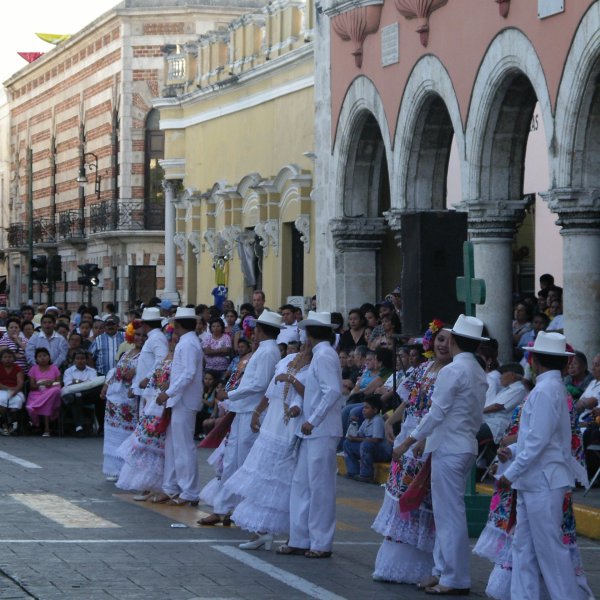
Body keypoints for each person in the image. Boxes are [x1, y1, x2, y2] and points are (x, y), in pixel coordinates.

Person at [393, 314, 488, 595]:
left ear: (456, 340)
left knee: (449, 516)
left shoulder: (453, 371)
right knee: (446, 514)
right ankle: (442, 570)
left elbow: (436, 413)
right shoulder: (476, 370)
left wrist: (407, 441)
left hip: (450, 447)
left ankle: (455, 577)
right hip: (460, 445)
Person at [498, 332, 591, 600]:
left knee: (548, 549)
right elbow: (539, 439)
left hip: (541, 479)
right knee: (524, 547)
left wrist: (511, 472)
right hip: (538, 479)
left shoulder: (545, 391)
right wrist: (514, 453)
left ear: (535, 360)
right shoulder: (550, 389)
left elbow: (537, 442)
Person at [372, 319, 450, 584]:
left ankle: (419, 567)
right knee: (399, 496)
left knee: (418, 500)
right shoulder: (424, 368)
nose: (443, 345)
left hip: (425, 440)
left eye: (449, 342)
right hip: (408, 434)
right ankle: (394, 565)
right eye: (440, 339)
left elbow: (438, 414)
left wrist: (420, 439)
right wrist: (389, 421)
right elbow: (410, 400)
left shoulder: (450, 374)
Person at [224, 341, 310, 550]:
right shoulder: (287, 360)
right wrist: (256, 411)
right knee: (262, 473)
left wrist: (292, 384)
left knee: (282, 477)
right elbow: (271, 391)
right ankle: (261, 531)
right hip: (272, 420)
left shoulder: (313, 366)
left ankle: (286, 533)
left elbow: (306, 394)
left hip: (289, 423)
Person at [200, 310, 283, 525]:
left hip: (250, 410)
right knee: (232, 461)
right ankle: (225, 507)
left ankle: (232, 508)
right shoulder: (263, 350)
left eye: (256, 329)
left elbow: (259, 384)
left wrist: (231, 394)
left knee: (242, 461)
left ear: (262, 330)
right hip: (243, 409)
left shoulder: (268, 352)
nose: (253, 333)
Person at [279, 311, 342, 558]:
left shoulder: (325, 355)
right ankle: (300, 537)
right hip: (312, 429)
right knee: (302, 483)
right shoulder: (321, 355)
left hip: (321, 430)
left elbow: (333, 391)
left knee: (320, 487)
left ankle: (320, 542)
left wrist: (313, 419)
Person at [117, 325, 177, 500]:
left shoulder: (178, 358)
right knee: (145, 441)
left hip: (163, 403)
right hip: (153, 402)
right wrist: (147, 395)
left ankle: (156, 485)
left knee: (157, 445)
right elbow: (156, 377)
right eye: (171, 337)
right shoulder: (166, 356)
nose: (173, 340)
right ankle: (148, 484)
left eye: (175, 337)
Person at [155, 307, 204, 506]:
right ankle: (171, 486)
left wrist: (169, 391)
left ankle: (190, 490)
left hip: (185, 399)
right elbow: (183, 372)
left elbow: (189, 373)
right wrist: (170, 388)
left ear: (180, 324)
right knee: (173, 445)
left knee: (184, 447)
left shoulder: (189, 343)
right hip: (179, 399)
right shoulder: (186, 342)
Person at [101, 322, 144, 480]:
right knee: (113, 435)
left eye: (143, 335)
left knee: (128, 434)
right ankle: (113, 469)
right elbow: (115, 371)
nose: (140, 338)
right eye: (137, 334)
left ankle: (126, 470)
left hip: (130, 401)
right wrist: (106, 384)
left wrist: (137, 371)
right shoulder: (128, 353)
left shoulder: (146, 355)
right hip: (115, 401)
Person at [343, 395, 391, 482]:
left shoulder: (377, 420)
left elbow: (376, 440)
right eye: (364, 407)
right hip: (369, 449)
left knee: (366, 444)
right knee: (347, 443)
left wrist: (356, 439)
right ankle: (353, 471)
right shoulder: (366, 421)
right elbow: (358, 435)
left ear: (375, 410)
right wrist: (353, 423)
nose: (363, 410)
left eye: (367, 408)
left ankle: (366, 475)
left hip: (382, 452)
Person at [62, 350, 105, 437]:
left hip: (89, 395)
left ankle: (101, 427)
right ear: (74, 360)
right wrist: (84, 383)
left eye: (83, 358)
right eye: (78, 359)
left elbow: (93, 385)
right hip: (73, 396)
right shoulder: (68, 371)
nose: (80, 361)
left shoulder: (92, 371)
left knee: (99, 392)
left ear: (86, 360)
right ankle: (79, 428)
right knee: (75, 397)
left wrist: (77, 382)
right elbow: (68, 385)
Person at [131, 308, 168, 398]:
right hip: (146, 389)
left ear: (144, 324)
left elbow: (162, 361)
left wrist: (148, 378)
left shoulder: (157, 338)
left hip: (151, 390)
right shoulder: (153, 337)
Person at [26, 347, 62, 437]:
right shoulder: (33, 369)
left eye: (45, 356)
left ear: (49, 357)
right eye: (40, 356)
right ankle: (44, 427)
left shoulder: (54, 368)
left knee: (56, 391)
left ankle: (46, 428)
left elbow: (59, 383)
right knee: (47, 402)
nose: (42, 358)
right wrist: (41, 383)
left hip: (51, 391)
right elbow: (32, 386)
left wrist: (51, 383)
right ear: (36, 359)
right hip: (37, 393)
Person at [0, 348, 25, 435]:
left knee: (17, 401)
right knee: (1, 401)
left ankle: (12, 423)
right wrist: (8, 388)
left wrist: (15, 390)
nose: (7, 359)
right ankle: (4, 424)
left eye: (10, 357)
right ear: (1, 359)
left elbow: (20, 383)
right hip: (2, 389)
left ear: (13, 358)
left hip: (16, 390)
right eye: (5, 357)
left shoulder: (17, 368)